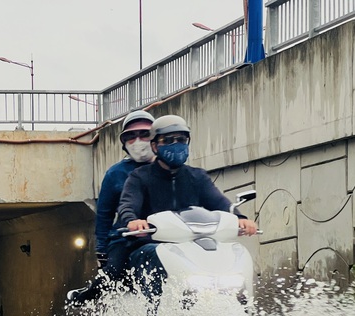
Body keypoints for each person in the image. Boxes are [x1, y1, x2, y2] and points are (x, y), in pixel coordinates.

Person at [69, 113, 257, 304]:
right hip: (142, 241)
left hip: (188, 241)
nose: (175, 144)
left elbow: (219, 202)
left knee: (227, 255)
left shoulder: (197, 177)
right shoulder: (138, 177)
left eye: (181, 139)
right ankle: (151, 315)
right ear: (155, 145)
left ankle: (240, 309)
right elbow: (127, 204)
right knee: (117, 270)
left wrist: (240, 217)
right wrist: (132, 221)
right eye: (167, 140)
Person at [67, 110, 156, 303]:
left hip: (167, 236)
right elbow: (105, 214)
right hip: (126, 238)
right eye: (131, 136)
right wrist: (102, 250)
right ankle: (90, 294)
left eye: (144, 134)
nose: (138, 141)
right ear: (124, 143)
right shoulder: (116, 173)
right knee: (113, 272)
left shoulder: (170, 170)